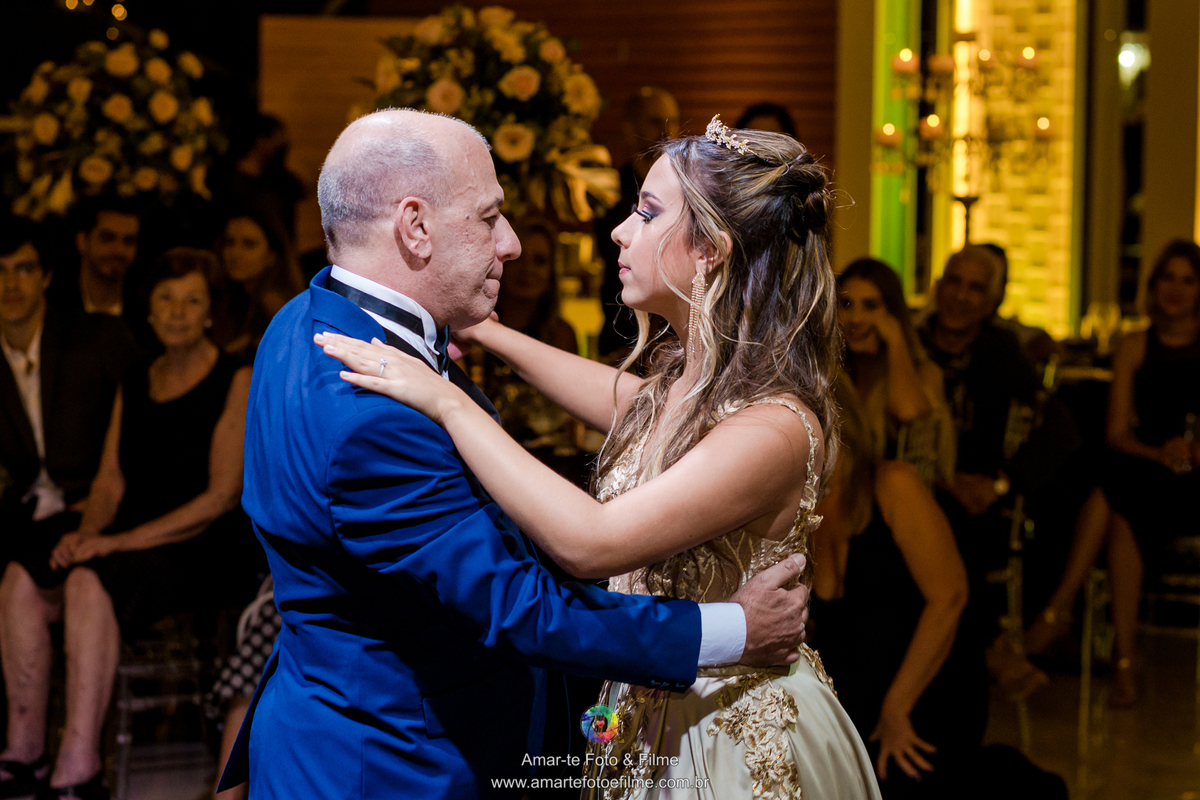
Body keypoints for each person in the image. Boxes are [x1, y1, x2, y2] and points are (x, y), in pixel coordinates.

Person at [219, 109, 814, 800]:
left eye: (646, 213)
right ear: (415, 227)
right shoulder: (368, 413)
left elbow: (649, 408)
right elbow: (523, 607)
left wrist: (486, 350)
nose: (513, 242)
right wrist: (732, 628)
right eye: (489, 215)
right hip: (392, 762)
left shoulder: (306, 319)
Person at [0, 248, 255, 799]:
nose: (178, 312)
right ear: (149, 309)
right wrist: (84, 536)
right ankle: (25, 753)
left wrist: (110, 545)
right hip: (131, 537)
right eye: (166, 299)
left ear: (211, 311)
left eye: (192, 300)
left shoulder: (237, 376)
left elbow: (220, 497)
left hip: (203, 547)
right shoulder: (136, 377)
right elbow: (110, 481)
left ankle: (80, 764)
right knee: (24, 576)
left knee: (90, 579)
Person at [1023, 239, 1200, 706]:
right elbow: (1118, 433)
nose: (1176, 290)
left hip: (1193, 477)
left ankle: (1059, 610)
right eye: (1168, 278)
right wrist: (1159, 453)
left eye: (1188, 279)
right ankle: (1125, 660)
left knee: (1112, 491)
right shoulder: (1136, 344)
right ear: (1153, 285)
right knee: (1121, 502)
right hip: (1149, 466)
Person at [809, 378, 971, 796]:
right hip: (844, 704)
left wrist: (898, 706)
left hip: (917, 692)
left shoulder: (892, 483)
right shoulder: (792, 506)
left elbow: (949, 596)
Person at [0, 216, 135, 571]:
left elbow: (148, 422)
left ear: (46, 276)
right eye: (0, 271)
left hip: (99, 509)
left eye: (24, 270)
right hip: (23, 514)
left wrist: (102, 497)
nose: (9, 284)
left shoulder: (97, 336)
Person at [838, 257, 954, 485]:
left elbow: (908, 412)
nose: (856, 318)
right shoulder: (831, 374)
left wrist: (896, 341)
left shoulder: (924, 373)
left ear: (893, 312)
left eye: (870, 306)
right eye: (846, 305)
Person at [596, 87, 680, 358]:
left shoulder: (687, 191)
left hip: (674, 338)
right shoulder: (608, 190)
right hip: (620, 331)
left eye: (673, 121)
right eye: (656, 121)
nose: (666, 131)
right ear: (630, 128)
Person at [213, 208, 305, 362]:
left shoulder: (276, 303)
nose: (235, 253)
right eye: (229, 242)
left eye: (249, 245)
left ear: (272, 255)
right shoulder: (232, 297)